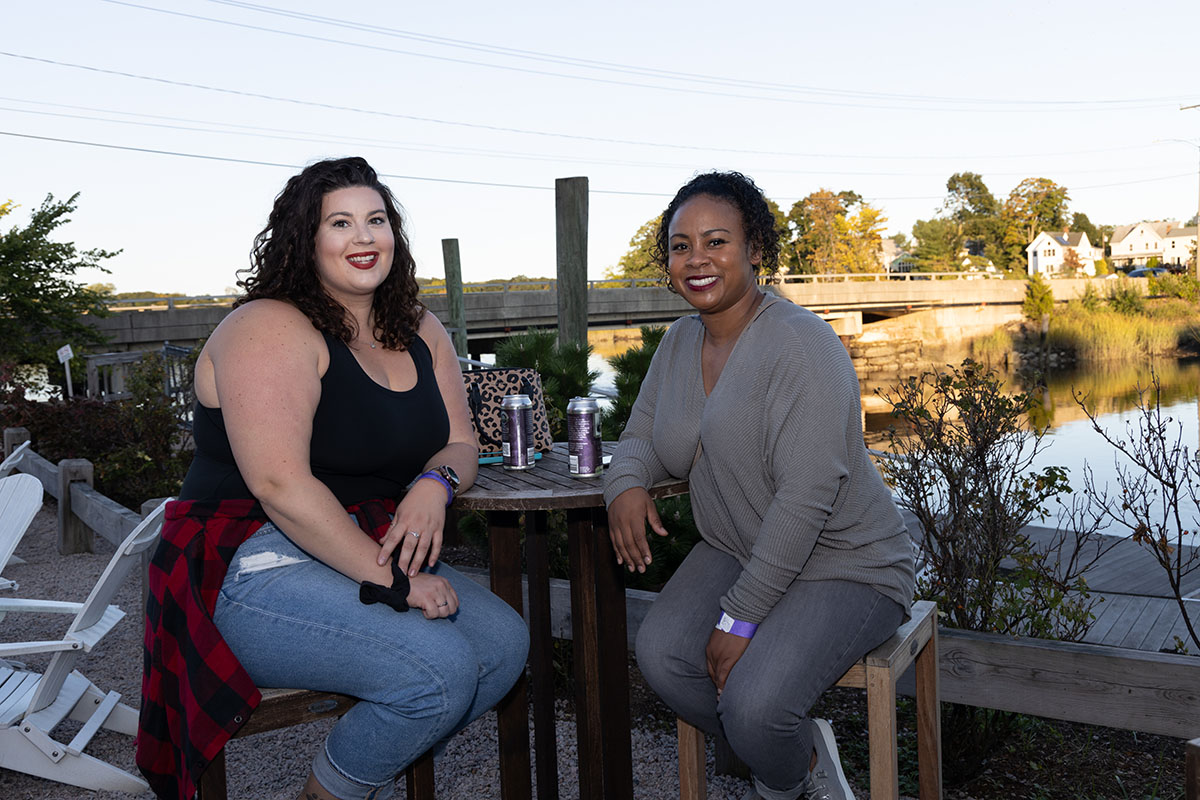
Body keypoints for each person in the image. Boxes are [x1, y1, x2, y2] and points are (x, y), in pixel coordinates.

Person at [137, 157, 529, 800]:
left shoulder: (418, 325)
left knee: (504, 646)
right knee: (437, 672)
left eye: (376, 220)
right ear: (305, 240)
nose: (363, 237)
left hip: (354, 537)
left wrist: (434, 485)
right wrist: (397, 581)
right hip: (246, 560)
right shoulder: (269, 326)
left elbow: (462, 442)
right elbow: (279, 485)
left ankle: (358, 776)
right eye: (340, 223)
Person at [603, 171, 915, 800]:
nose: (697, 259)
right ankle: (788, 755)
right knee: (663, 656)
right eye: (681, 246)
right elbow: (639, 435)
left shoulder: (803, 346)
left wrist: (740, 617)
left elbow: (805, 499)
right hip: (739, 546)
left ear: (755, 251)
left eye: (716, 242)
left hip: (845, 562)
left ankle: (782, 774)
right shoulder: (679, 342)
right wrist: (625, 485)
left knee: (754, 703)